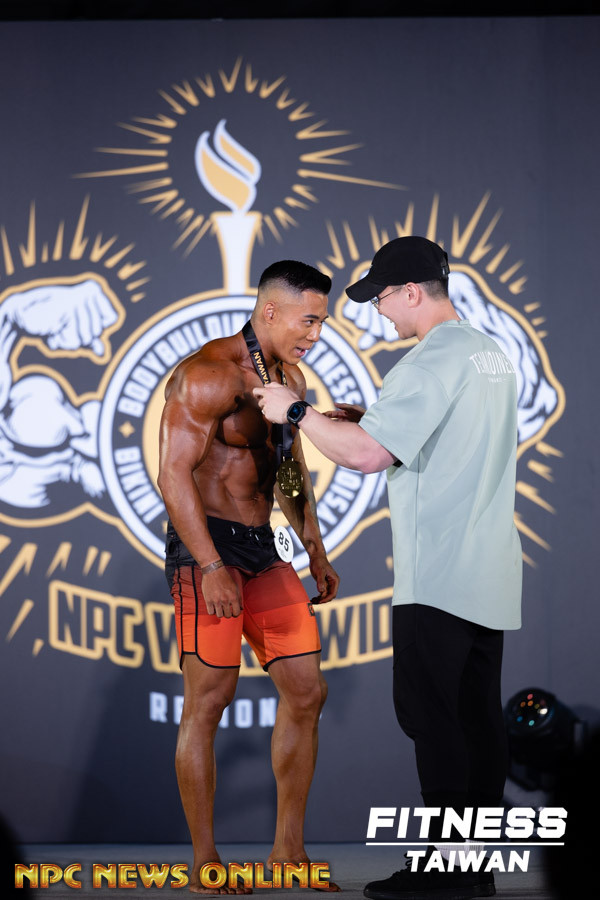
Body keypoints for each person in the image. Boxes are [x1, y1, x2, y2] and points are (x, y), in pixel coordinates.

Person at [255, 236, 522, 900]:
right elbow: (442, 437)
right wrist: (365, 420)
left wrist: (294, 411)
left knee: (433, 720)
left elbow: (367, 456)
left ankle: (445, 874)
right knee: (477, 721)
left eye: (380, 297)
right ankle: (474, 870)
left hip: (439, 572)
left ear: (410, 291)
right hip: (490, 570)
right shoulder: (490, 354)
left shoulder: (426, 363)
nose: (376, 310)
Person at [157, 259, 341, 894]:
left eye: (321, 321)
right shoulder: (207, 374)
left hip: (263, 549)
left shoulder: (289, 377)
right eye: (308, 320)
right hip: (207, 550)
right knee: (208, 701)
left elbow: (287, 467)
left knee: (307, 691)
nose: (315, 333)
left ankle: (288, 850)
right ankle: (206, 863)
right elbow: (172, 474)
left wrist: (314, 548)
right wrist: (209, 564)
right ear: (270, 311)